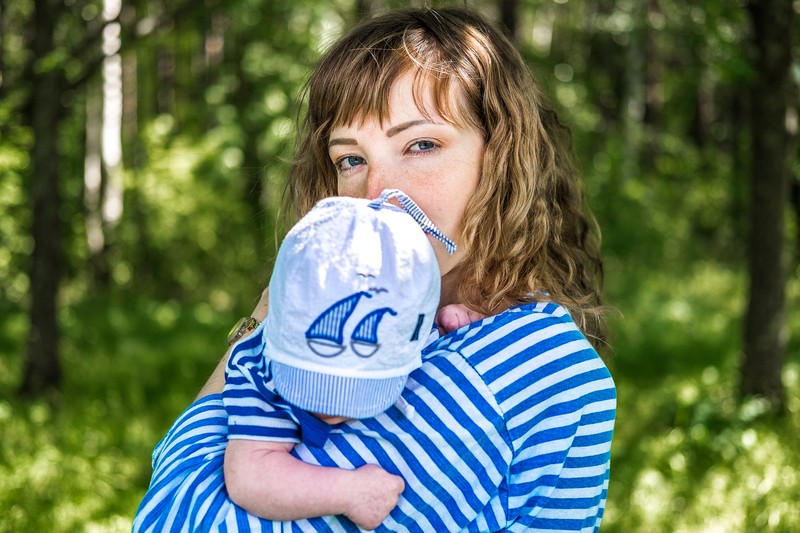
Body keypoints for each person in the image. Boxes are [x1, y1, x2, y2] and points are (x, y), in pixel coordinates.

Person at [134, 6, 616, 532]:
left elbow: (175, 518)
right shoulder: (413, 337)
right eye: (351, 159)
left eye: (422, 144)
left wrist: (266, 323)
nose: (378, 194)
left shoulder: (503, 366)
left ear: (502, 157)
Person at [224, 190, 471, 530]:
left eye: (360, 386)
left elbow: (414, 329)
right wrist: (349, 492)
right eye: (311, 381)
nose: (330, 408)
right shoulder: (258, 368)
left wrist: (450, 321)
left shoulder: (407, 320)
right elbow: (249, 476)